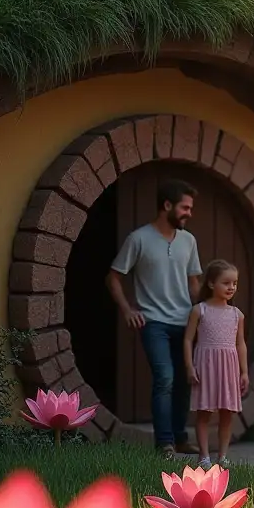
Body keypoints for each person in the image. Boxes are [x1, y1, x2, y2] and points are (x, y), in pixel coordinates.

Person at [107, 179, 202, 457]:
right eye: (185, 207)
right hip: (154, 323)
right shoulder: (138, 239)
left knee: (185, 380)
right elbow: (113, 278)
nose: (189, 213)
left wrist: (203, 313)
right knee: (165, 378)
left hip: (184, 322)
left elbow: (193, 282)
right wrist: (127, 310)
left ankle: (181, 437)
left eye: (191, 208)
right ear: (167, 205)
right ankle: (165, 443)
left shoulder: (189, 240)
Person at [183, 259, 249, 469]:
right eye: (226, 282)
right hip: (206, 367)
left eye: (235, 283)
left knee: (226, 414)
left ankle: (223, 456)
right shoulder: (199, 310)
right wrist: (189, 367)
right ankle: (204, 456)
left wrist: (244, 372)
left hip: (229, 368)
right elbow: (187, 340)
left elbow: (241, 344)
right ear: (211, 284)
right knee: (204, 413)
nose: (231, 287)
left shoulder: (237, 315)